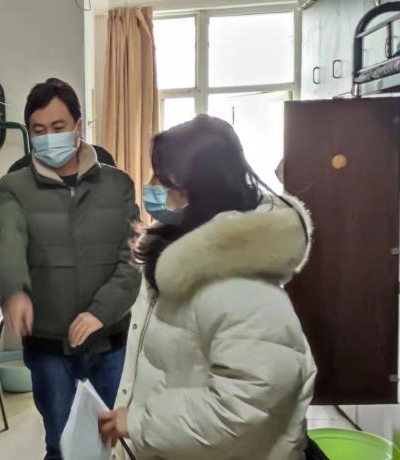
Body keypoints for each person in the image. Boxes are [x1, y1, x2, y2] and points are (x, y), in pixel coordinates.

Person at [99, 115, 317, 460]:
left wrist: (141, 422)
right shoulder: (183, 260)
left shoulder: (241, 285)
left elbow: (245, 411)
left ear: (199, 187)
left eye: (162, 180)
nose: (150, 186)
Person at [0, 78, 141, 459]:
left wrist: (99, 312)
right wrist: (14, 291)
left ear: (78, 126)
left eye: (58, 127)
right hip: (48, 345)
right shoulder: (13, 188)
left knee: (105, 444)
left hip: (108, 340)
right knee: (60, 443)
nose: (48, 138)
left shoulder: (118, 185)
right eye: (38, 130)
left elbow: (131, 261)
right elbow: (8, 244)